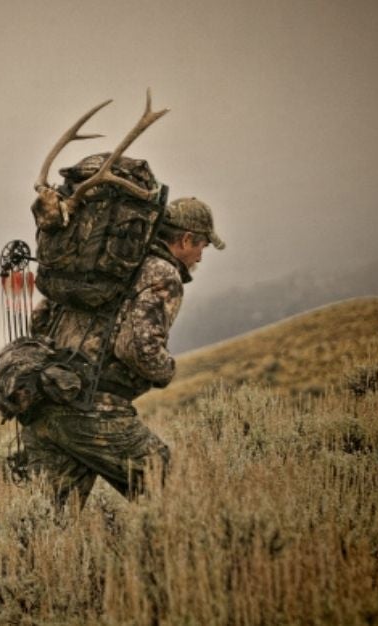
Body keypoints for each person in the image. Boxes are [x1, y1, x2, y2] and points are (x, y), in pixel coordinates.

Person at [21, 196, 226, 510]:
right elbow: (138, 349)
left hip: (43, 402)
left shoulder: (104, 268)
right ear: (186, 239)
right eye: (202, 246)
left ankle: (31, 560)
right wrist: (167, 370)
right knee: (178, 497)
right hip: (95, 410)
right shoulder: (162, 275)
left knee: (46, 522)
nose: (200, 255)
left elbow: (40, 320)